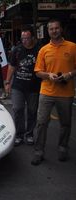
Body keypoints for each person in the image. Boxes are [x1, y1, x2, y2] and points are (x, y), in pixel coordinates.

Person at [31, 19, 76, 165]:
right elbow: (37, 71)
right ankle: (39, 151)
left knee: (66, 123)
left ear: (61, 29)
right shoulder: (43, 50)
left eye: (56, 28)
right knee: (41, 122)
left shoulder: (72, 47)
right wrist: (48, 75)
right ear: (48, 31)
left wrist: (70, 74)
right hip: (47, 91)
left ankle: (63, 148)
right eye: (51, 29)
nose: (54, 31)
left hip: (66, 93)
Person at [4, 26, 41, 146]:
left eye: (27, 38)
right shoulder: (17, 50)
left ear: (33, 38)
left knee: (32, 111)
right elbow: (12, 66)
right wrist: (7, 82)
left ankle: (29, 134)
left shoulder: (39, 50)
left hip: (34, 87)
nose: (24, 40)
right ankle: (19, 134)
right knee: (17, 109)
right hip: (18, 86)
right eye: (22, 38)